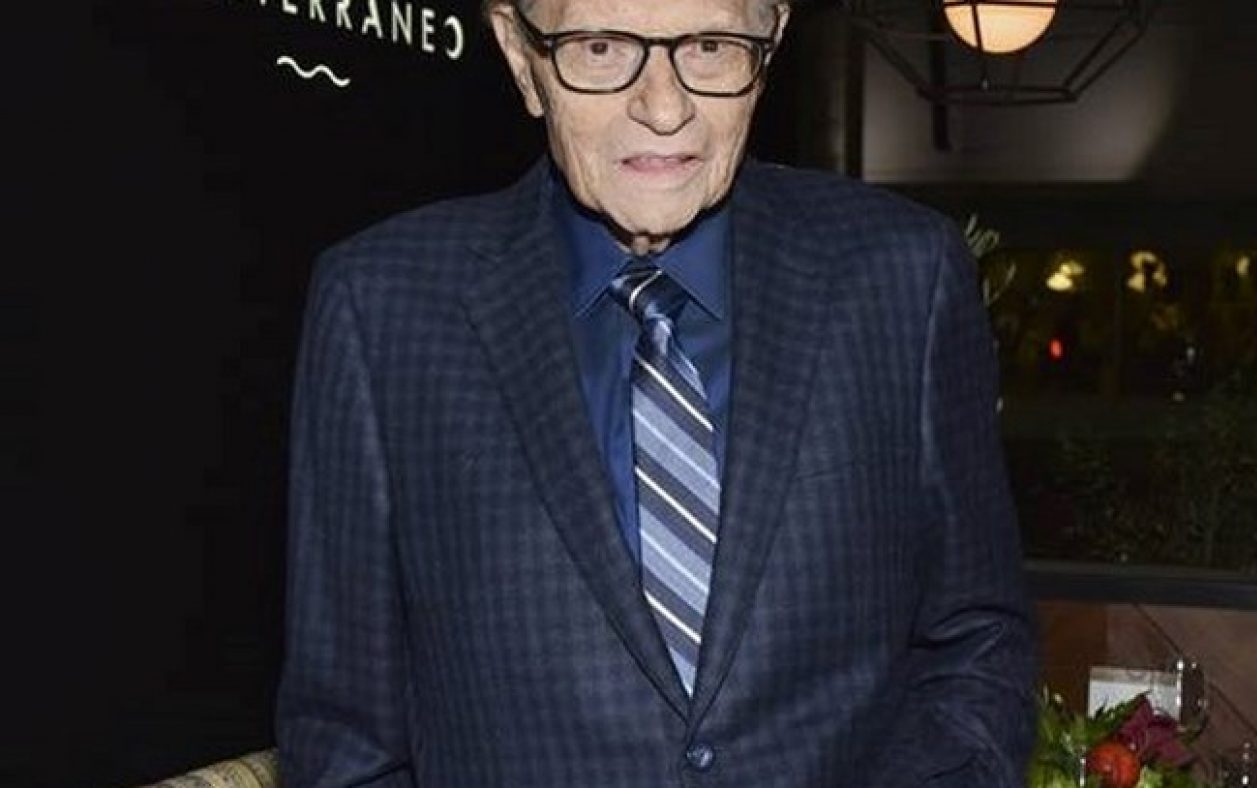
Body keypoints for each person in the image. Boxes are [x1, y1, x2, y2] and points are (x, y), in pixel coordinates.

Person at [275, 0, 1037, 784]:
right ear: (520, 56)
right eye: (601, 47)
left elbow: (976, 643)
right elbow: (346, 738)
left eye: (710, 45)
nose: (665, 108)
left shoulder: (902, 275)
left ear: (769, 42)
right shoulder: (381, 306)